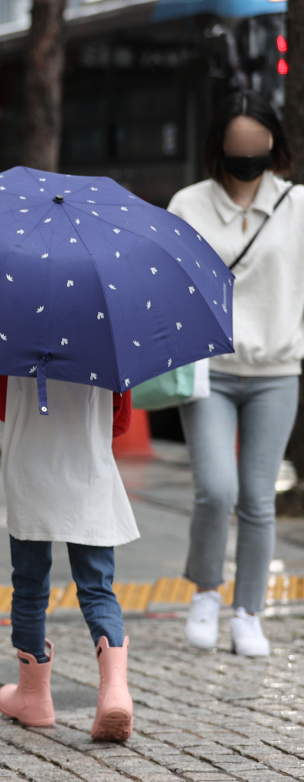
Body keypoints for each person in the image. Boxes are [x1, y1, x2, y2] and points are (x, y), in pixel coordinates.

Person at [167, 90, 304, 656]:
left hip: (276, 370)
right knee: (215, 489)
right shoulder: (188, 205)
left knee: (257, 496)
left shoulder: (297, 205)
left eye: (258, 142)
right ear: (219, 145)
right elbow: (169, 285)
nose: (248, 152)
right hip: (210, 370)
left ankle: (247, 611)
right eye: (237, 143)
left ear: (273, 143)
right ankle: (204, 591)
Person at [0, 376, 137, 741]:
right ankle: (115, 691)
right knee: (97, 588)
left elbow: (0, 406)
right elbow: (121, 422)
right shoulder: (107, 345)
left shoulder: (15, 336)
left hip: (30, 472)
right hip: (88, 475)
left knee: (29, 585)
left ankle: (33, 696)